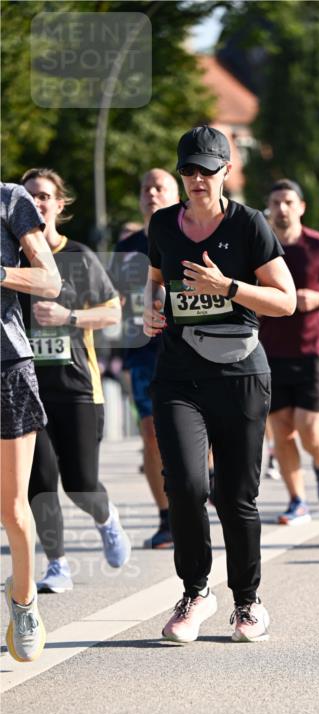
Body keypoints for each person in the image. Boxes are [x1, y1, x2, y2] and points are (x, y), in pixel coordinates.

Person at [144, 126, 295, 643]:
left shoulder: (249, 224)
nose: (197, 179)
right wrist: (150, 310)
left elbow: (286, 300)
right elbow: (156, 282)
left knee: (235, 497)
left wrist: (227, 287)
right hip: (179, 373)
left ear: (226, 171)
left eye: (207, 170)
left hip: (239, 373)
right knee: (186, 486)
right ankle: (195, 592)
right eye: (188, 170)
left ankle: (248, 602)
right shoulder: (163, 224)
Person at [19, 168, 130, 595]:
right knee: (40, 481)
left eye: (45, 196)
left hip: (78, 389)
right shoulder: (12, 260)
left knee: (81, 484)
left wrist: (69, 316)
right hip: (26, 390)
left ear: (59, 204)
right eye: (29, 196)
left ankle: (106, 517)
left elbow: (113, 312)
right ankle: (57, 565)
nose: (37, 203)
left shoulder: (79, 257)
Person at [261, 179, 319, 526]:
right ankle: (297, 501)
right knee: (281, 431)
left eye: (288, 202)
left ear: (301, 207)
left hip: (313, 350)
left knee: (309, 426)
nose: (281, 208)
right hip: (270, 351)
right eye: (275, 202)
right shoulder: (260, 245)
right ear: (269, 208)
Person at [1, 182, 60, 661]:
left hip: (6, 368)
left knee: (12, 508)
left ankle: (23, 603)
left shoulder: (11, 200)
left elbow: (50, 281)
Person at [110, 168, 180, 548]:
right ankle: (166, 518)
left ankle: (207, 478)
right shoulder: (126, 248)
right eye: (146, 188)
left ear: (176, 195)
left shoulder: (187, 235)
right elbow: (113, 300)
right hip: (142, 352)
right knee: (151, 434)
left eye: (160, 187)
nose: (152, 193)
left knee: (198, 430)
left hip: (189, 348)